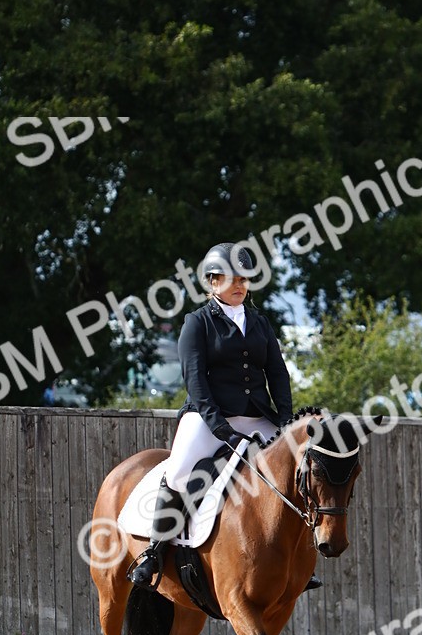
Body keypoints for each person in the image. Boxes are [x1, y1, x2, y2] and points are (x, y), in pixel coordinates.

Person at [127, 241, 321, 591]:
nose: (239, 285)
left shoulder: (260, 323)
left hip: (257, 417)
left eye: (244, 279)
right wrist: (219, 427)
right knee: (182, 468)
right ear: (212, 282)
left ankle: (297, 559)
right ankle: (153, 551)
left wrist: (287, 423)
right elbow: (196, 381)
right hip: (207, 417)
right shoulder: (196, 323)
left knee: (293, 469)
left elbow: (278, 374)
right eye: (231, 279)